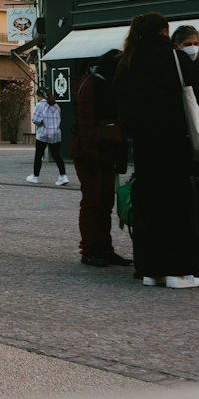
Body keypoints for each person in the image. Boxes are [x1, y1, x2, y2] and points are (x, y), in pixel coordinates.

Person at [116, 11, 199, 288]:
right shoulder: (174, 58)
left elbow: (120, 105)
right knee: (177, 203)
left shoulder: (128, 61)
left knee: (149, 204)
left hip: (144, 144)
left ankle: (151, 270)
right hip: (174, 141)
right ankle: (178, 271)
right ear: (165, 32)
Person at [73, 50, 130, 267]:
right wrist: (92, 155)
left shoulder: (101, 83)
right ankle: (90, 249)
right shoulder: (92, 85)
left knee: (104, 201)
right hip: (93, 153)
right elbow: (86, 124)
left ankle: (103, 248)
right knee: (94, 201)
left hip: (103, 152)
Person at [27, 88, 68, 185]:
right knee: (57, 155)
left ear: (40, 96)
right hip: (56, 134)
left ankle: (35, 177)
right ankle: (63, 176)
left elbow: (35, 120)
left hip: (43, 134)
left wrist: (41, 123)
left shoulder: (40, 105)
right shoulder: (56, 106)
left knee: (38, 155)